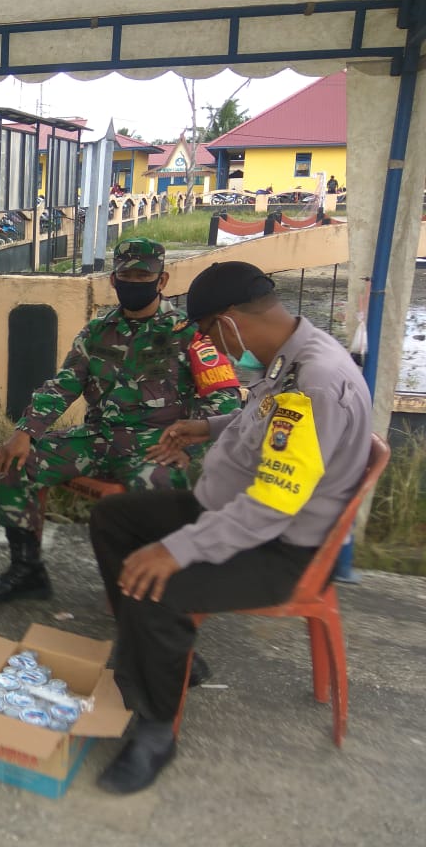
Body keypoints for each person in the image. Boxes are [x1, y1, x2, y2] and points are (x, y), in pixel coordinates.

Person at [89, 261, 372, 795]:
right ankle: (163, 655)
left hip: (280, 548)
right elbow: (262, 420)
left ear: (227, 323)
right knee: (113, 520)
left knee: (156, 586)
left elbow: (271, 505)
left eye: (207, 334)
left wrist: (178, 550)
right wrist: (206, 427)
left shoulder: (315, 381)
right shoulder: (290, 356)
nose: (211, 346)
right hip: (226, 510)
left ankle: (155, 729)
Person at [0, 237, 241, 603]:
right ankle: (26, 571)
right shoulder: (97, 332)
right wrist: (25, 431)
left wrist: (191, 446)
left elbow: (224, 398)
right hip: (98, 438)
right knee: (17, 462)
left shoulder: (188, 335)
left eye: (142, 276)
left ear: (161, 281)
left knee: (156, 495)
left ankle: (149, 598)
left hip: (156, 446)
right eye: (126, 275)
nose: (133, 283)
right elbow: (64, 385)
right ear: (114, 280)